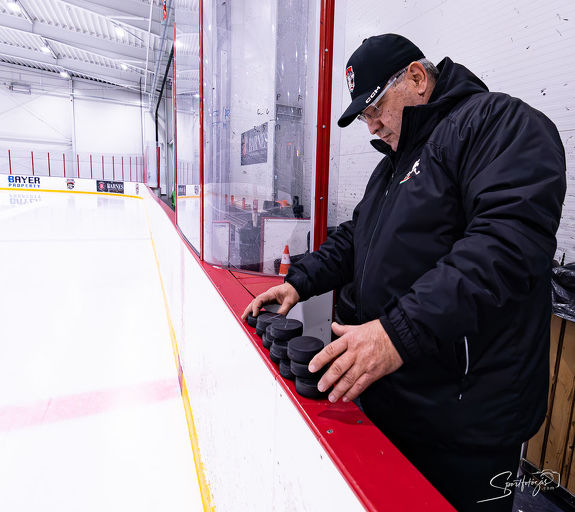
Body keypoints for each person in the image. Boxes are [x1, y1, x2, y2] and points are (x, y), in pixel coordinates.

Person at [242, 34, 566, 511]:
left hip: (465, 417)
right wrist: (299, 281)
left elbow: (504, 247)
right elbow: (357, 237)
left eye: (375, 108)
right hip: (398, 399)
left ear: (416, 77)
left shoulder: (499, 124)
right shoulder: (394, 165)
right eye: (364, 118)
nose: (372, 125)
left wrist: (397, 333)